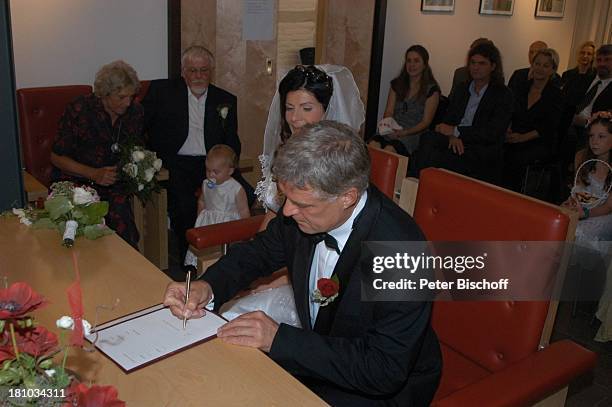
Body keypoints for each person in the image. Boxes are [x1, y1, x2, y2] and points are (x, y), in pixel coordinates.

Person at [163, 121, 442, 406]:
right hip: (321, 358)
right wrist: (207, 285)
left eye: (303, 205)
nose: (287, 211)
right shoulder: (304, 211)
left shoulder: (403, 254)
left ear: (348, 197)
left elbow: (383, 369)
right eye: (286, 198)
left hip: (378, 389)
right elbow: (258, 253)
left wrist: (279, 340)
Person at [222, 64, 364, 326]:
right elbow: (275, 223)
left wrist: (282, 279)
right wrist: (258, 272)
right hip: (286, 258)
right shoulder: (287, 151)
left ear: (326, 109)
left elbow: (332, 253)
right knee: (231, 311)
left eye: (306, 108)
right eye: (289, 108)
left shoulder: (343, 167)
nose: (295, 118)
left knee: (243, 317)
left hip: (320, 280)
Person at [142, 45, 252, 262]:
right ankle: (190, 259)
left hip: (213, 163)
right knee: (184, 206)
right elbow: (143, 127)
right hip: (177, 163)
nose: (198, 76)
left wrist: (229, 166)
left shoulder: (225, 100)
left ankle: (231, 253)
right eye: (193, 70)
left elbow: (231, 139)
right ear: (183, 72)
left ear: (211, 72)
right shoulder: (163, 93)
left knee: (246, 194)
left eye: (204, 70)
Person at [51, 60, 143, 247]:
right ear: (104, 94)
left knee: (125, 232)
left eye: (131, 96)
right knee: (81, 231)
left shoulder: (135, 112)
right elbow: (56, 157)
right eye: (121, 97)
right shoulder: (80, 110)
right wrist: (93, 173)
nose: (127, 103)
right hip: (76, 182)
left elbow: (135, 151)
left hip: (113, 183)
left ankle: (127, 273)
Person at [413, 42, 513, 184]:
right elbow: (449, 119)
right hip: (456, 139)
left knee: (439, 158)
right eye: (472, 63)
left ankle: (423, 187)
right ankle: (417, 185)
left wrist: (457, 131)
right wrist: (452, 136)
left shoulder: (503, 94)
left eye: (482, 63)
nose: (476, 67)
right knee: (427, 138)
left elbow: (492, 132)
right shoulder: (462, 88)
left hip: (481, 147)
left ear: (493, 66)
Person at [561, 111, 612, 342]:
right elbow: (578, 190)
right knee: (555, 220)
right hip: (582, 207)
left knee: (577, 230)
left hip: (602, 215)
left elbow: (608, 207)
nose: (595, 141)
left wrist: (586, 213)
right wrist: (572, 203)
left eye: (602, 136)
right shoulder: (582, 157)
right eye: (592, 135)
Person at [502, 48, 563, 192]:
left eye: (545, 66)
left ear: (553, 70)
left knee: (516, 157)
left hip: (539, 141)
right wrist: (507, 129)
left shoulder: (556, 95)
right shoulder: (521, 87)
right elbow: (510, 113)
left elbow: (549, 127)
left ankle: (515, 198)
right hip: (515, 136)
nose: (540, 68)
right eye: (537, 63)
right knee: (495, 149)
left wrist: (522, 138)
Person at [183, 144, 250, 268]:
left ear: (230, 170)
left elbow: (243, 209)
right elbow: (202, 201)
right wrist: (200, 217)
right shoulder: (205, 184)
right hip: (208, 223)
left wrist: (245, 232)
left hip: (227, 225)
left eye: (216, 172)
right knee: (206, 256)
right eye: (208, 170)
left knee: (226, 258)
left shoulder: (236, 188)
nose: (211, 175)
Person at [368, 45, 440, 156]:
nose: (412, 65)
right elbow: (389, 112)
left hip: (413, 133)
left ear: (424, 64)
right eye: (409, 61)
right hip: (392, 128)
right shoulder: (396, 84)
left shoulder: (432, 90)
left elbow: (426, 123)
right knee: (373, 146)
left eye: (416, 61)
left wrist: (404, 132)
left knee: (389, 150)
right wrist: (389, 128)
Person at [561, 44, 612, 191]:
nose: (602, 64)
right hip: (570, 126)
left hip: (593, 131)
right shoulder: (585, 79)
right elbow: (567, 103)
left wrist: (587, 122)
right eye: (599, 60)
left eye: (607, 60)